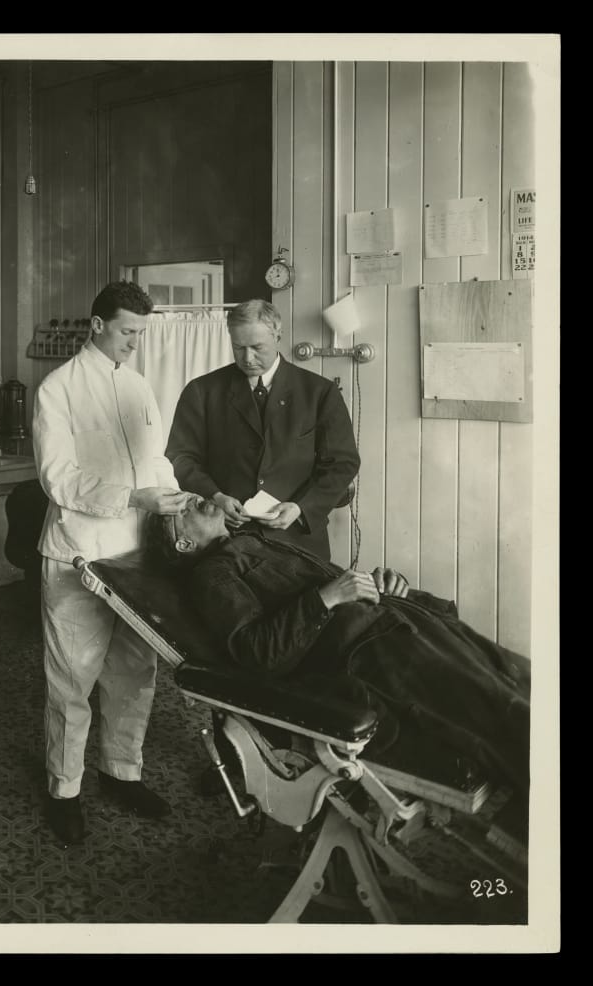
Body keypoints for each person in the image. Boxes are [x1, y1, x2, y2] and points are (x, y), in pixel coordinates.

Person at [143, 498, 531, 804]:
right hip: (376, 651)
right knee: (507, 711)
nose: (190, 499)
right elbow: (258, 652)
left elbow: (331, 588)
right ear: (184, 543)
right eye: (180, 510)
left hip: (399, 619)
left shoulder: (251, 541)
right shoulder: (212, 574)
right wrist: (327, 597)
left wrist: (379, 584)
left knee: (519, 676)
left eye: (184, 497)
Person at [33, 280, 192, 846]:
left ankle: (122, 772)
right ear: (97, 324)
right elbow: (58, 478)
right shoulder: (58, 389)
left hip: (135, 556)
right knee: (72, 680)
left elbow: (156, 463)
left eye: (141, 334)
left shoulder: (139, 386)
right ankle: (65, 789)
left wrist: (180, 498)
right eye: (127, 331)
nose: (134, 343)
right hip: (79, 555)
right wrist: (133, 497)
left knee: (134, 673)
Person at [165, 299, 360, 562]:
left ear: (278, 336)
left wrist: (300, 509)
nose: (247, 358)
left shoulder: (319, 392)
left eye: (257, 347)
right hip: (224, 542)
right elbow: (181, 457)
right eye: (238, 348)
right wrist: (215, 496)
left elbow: (342, 463)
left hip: (299, 544)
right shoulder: (201, 391)